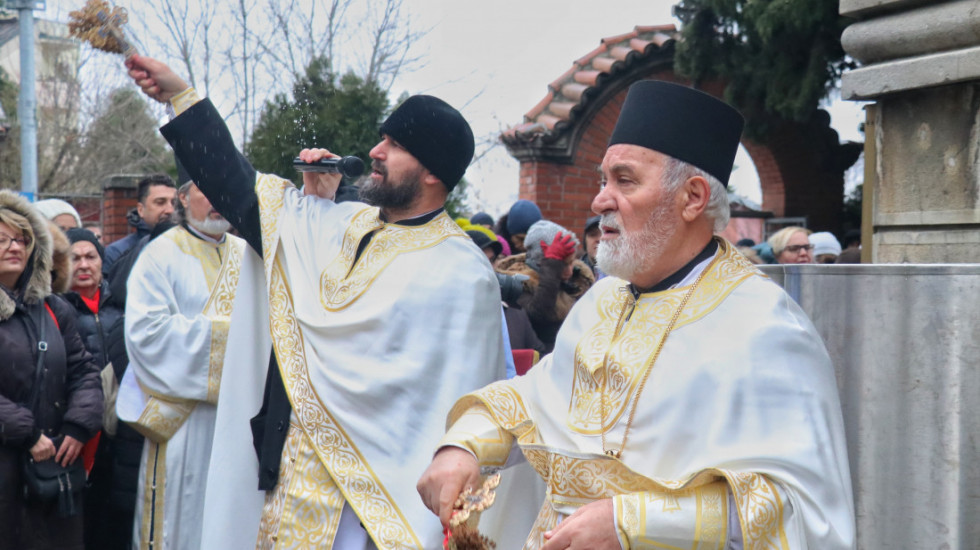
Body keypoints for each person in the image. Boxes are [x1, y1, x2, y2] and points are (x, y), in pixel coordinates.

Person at [418, 81, 854, 549]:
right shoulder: (603, 303)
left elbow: (798, 513)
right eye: (603, 180)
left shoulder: (764, 327)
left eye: (624, 181)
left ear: (692, 198)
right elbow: (534, 400)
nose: (600, 200)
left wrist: (633, 523)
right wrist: (463, 445)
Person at [126, 54, 507, 549]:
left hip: (375, 508)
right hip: (290, 484)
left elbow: (452, 406)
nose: (376, 150)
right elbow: (244, 198)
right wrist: (181, 97)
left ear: (432, 172)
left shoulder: (463, 273)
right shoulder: (344, 224)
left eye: (394, 145)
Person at [115, 179, 247, 550]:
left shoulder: (248, 253)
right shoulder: (160, 255)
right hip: (184, 418)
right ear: (183, 200)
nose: (218, 199)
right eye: (206, 190)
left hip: (238, 418)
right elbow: (147, 335)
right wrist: (236, 340)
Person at [0, 190, 103, 550]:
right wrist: (27, 433)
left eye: (22, 239)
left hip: (53, 469)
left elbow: (84, 371)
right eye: (2, 239)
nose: (14, 247)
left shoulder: (54, 309)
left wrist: (77, 427)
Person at [62, 228, 127, 550]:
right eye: (75, 258)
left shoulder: (123, 305)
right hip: (78, 433)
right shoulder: (56, 309)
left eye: (91, 256)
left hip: (121, 430)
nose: (84, 265)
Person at [496, 220, 595, 352]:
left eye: (571, 263)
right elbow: (539, 314)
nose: (570, 271)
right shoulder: (518, 282)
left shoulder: (579, 282)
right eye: (563, 265)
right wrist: (553, 267)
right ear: (541, 263)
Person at [102, 175, 176, 273]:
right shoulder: (117, 253)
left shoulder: (188, 246)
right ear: (141, 210)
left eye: (174, 203)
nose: (170, 210)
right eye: (160, 202)